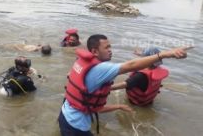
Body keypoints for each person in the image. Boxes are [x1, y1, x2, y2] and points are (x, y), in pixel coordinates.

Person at [59, 34, 190, 136]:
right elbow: (131, 65)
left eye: (110, 46)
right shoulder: (101, 69)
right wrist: (166, 54)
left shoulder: (82, 63)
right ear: (94, 51)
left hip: (65, 114)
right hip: (75, 126)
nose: (110, 50)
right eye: (106, 47)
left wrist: (119, 106)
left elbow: (89, 104)